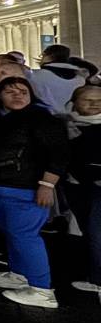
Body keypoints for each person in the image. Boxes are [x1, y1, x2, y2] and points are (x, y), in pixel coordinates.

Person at [0, 76, 69, 308]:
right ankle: (20, 274)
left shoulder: (42, 119)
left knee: (25, 235)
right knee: (13, 233)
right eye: (10, 92)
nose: (17, 96)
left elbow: (58, 154)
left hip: (25, 186)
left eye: (23, 92)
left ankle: (42, 289)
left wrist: (47, 185)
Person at [65, 84, 101, 296]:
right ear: (74, 103)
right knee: (88, 229)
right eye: (87, 99)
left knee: (97, 233)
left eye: (99, 100)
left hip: (97, 186)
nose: (94, 104)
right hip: (77, 185)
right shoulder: (66, 124)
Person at [27, 43, 85, 113]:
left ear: (48, 56)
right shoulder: (81, 79)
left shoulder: (34, 75)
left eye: (42, 56)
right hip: (73, 115)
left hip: (44, 114)